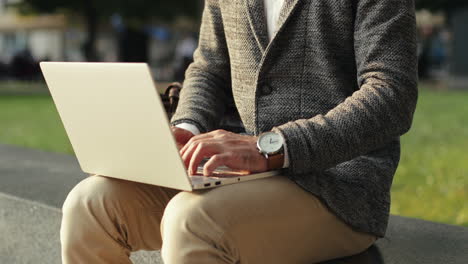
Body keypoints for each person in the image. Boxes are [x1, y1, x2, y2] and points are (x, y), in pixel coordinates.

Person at [60, 0, 418, 263]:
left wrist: (271, 147)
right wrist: (186, 128)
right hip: (233, 171)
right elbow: (209, 68)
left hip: (338, 183)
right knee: (89, 206)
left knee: (191, 222)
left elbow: (391, 95)